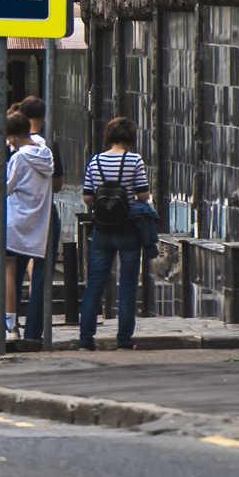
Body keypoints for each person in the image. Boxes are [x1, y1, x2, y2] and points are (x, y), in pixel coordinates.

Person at [79, 117, 153, 350]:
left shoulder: (95, 160)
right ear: (131, 137)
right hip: (128, 229)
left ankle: (86, 339)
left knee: (95, 285)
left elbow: (88, 197)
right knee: (128, 286)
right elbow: (143, 195)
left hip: (101, 230)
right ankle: (124, 340)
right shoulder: (134, 160)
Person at [0, 112, 54, 350]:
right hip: (38, 222)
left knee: (6, 272)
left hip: (15, 222)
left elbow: (5, 187)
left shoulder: (18, 158)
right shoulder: (45, 152)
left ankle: (8, 325)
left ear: (11, 136)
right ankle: (29, 330)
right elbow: (38, 142)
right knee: (34, 275)